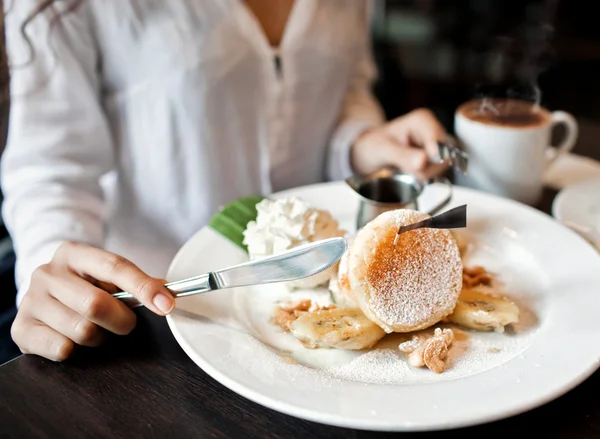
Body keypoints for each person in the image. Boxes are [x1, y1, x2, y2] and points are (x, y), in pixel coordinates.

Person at [1, 0, 449, 362]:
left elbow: (347, 86)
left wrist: (360, 143)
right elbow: (52, 167)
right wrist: (56, 274)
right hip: (153, 324)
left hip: (312, 304)